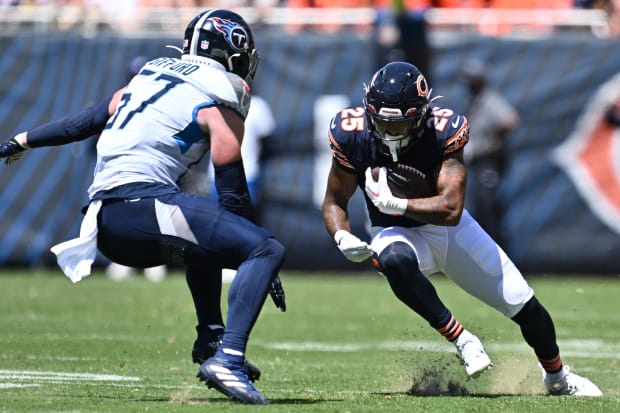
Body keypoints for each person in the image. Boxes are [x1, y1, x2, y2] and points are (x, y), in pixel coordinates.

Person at [0, 9, 286, 405]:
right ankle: (229, 360)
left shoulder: (147, 77)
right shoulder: (221, 99)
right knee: (267, 246)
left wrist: (22, 139)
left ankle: (212, 335)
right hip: (140, 206)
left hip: (106, 221)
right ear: (231, 54)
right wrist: (255, 251)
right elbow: (234, 195)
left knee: (204, 233)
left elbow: (83, 122)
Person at [321, 61, 602, 396]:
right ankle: (461, 338)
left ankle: (557, 377)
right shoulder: (351, 132)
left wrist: (398, 204)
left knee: (525, 306)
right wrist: (341, 235)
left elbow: (451, 209)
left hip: (449, 231)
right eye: (381, 122)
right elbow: (334, 199)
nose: (388, 132)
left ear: (421, 115)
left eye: (399, 125)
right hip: (399, 234)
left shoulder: (444, 129)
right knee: (392, 259)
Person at [460, 58, 519, 244]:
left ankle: (496, 251)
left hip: (489, 159)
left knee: (488, 206)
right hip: (477, 161)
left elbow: (510, 121)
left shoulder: (489, 99)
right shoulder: (473, 101)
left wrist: (490, 140)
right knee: (479, 206)